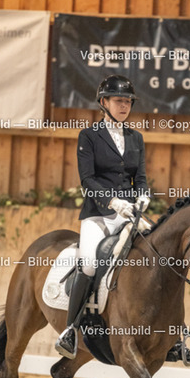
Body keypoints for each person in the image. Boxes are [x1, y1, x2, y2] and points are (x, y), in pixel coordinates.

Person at [55, 74, 150, 359]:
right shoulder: (89, 136)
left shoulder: (136, 138)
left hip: (129, 213)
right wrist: (112, 201)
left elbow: (140, 178)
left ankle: (176, 335)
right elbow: (87, 179)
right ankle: (70, 330)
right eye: (119, 101)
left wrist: (143, 195)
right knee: (88, 264)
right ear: (104, 102)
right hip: (98, 215)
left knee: (159, 255)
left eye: (128, 102)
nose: (124, 106)